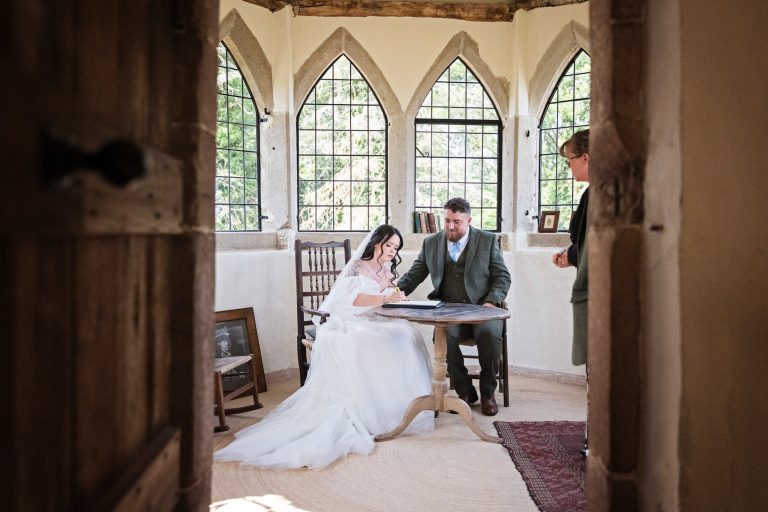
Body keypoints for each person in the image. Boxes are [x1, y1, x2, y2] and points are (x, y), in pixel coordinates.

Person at [214, 225, 434, 469]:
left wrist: (396, 296)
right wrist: (384, 298)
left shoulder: (387, 268)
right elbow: (355, 300)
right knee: (371, 342)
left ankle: (402, 408)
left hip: (376, 319)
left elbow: (386, 296)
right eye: (389, 245)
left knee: (407, 336)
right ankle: (372, 413)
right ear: (376, 243)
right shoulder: (358, 266)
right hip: (352, 320)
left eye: (396, 247)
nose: (393, 250)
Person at [397, 198, 511, 416]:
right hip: (449, 313)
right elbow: (413, 276)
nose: (450, 226)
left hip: (483, 309)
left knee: (488, 333)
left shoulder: (488, 241)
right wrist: (393, 293)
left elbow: (502, 277)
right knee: (444, 336)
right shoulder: (431, 243)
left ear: (469, 220)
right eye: (447, 220)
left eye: (456, 222)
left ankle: (488, 392)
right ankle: (465, 390)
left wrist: (491, 301)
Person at [550, 129, 590, 456]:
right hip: (591, 280)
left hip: (596, 290)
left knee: (597, 370)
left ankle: (596, 443)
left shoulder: (595, 195)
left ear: (587, 158)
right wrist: (571, 256)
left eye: (570, 161)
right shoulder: (593, 194)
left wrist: (571, 256)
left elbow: (592, 246)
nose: (569, 168)